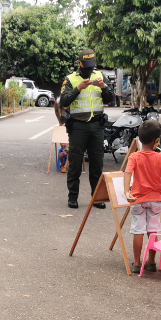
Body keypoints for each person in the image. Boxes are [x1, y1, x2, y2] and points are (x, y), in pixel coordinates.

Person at [58, 49, 115, 209]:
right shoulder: (70, 79)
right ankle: (73, 197)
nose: (89, 69)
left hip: (97, 126)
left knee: (97, 164)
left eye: (91, 66)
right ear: (79, 63)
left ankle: (96, 198)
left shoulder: (100, 76)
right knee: (75, 163)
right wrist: (78, 89)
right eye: (86, 65)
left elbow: (111, 98)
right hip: (78, 127)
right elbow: (63, 101)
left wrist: (104, 88)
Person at [124, 120, 161, 272]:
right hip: (155, 200)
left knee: (138, 230)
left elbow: (128, 172)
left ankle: (136, 263)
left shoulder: (134, 156)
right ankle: (151, 261)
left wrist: (127, 192)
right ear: (156, 141)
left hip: (137, 199)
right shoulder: (160, 157)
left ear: (139, 139)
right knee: (153, 231)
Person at [54, 101, 70, 173]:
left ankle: (65, 167)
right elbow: (57, 111)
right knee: (62, 154)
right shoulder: (58, 102)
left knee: (70, 153)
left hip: (70, 147)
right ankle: (62, 165)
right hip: (65, 148)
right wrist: (61, 123)